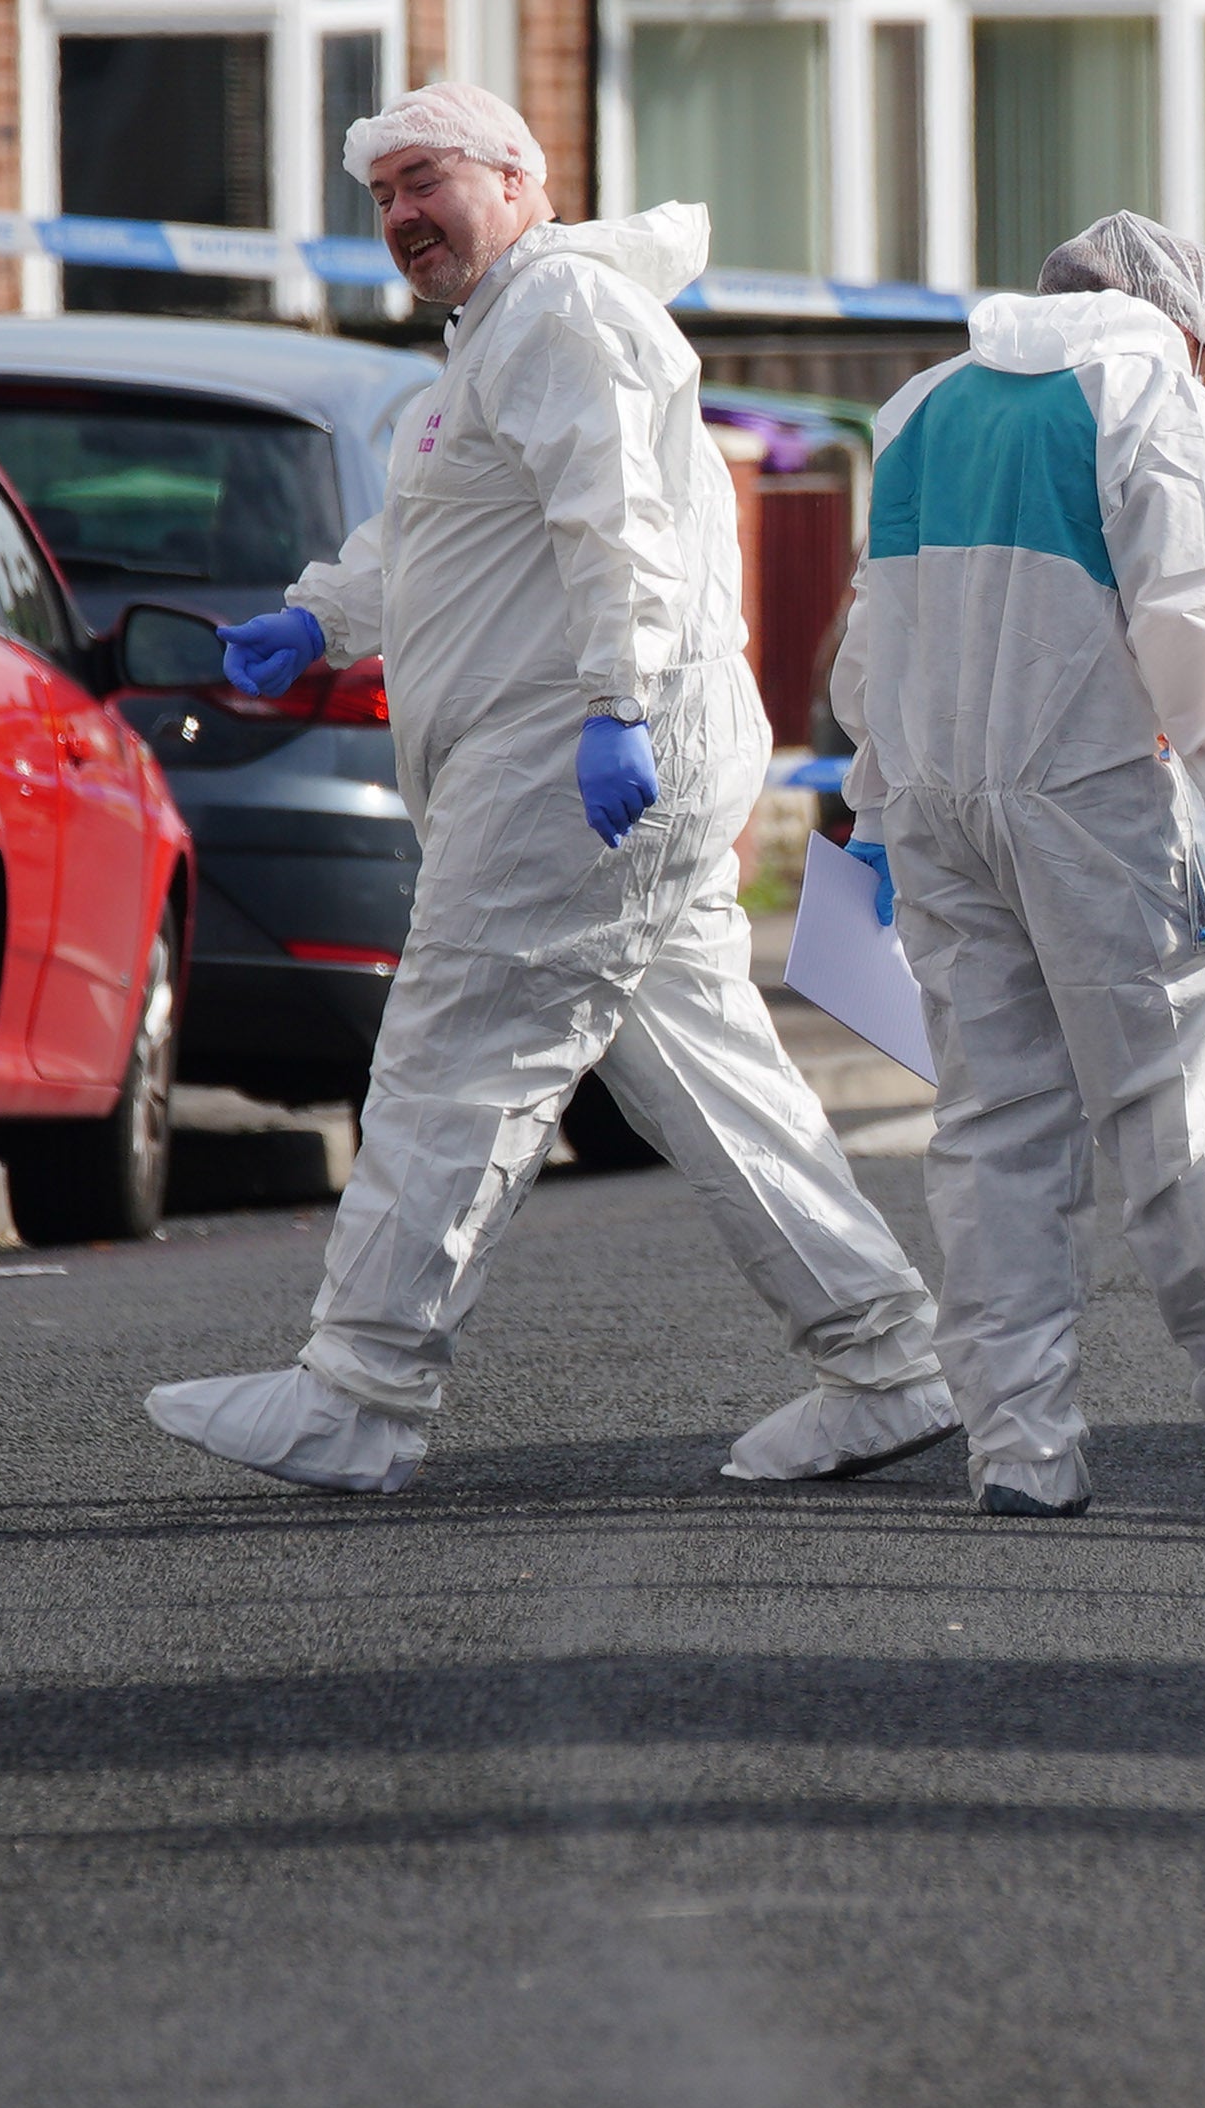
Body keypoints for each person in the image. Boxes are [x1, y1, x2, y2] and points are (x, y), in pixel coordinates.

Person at [144, 83, 953, 1497]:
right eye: (382, 195)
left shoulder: (561, 313)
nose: (402, 215)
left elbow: (613, 521)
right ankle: (886, 1361)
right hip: (584, 757)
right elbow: (437, 534)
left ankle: (361, 1385)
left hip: (569, 759)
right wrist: (320, 619)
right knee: (713, 1078)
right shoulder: (495, 341)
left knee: (453, 1053)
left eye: (427, 180)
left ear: (520, 180)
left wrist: (617, 702)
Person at [832, 211, 1205, 1517]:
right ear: (1190, 333)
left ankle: (1021, 1448)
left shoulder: (923, 404)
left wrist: (875, 807)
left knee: (993, 1130)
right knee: (1174, 1114)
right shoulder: (1153, 396)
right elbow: (1185, 617)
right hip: (1098, 801)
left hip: (940, 806)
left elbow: (870, 631)